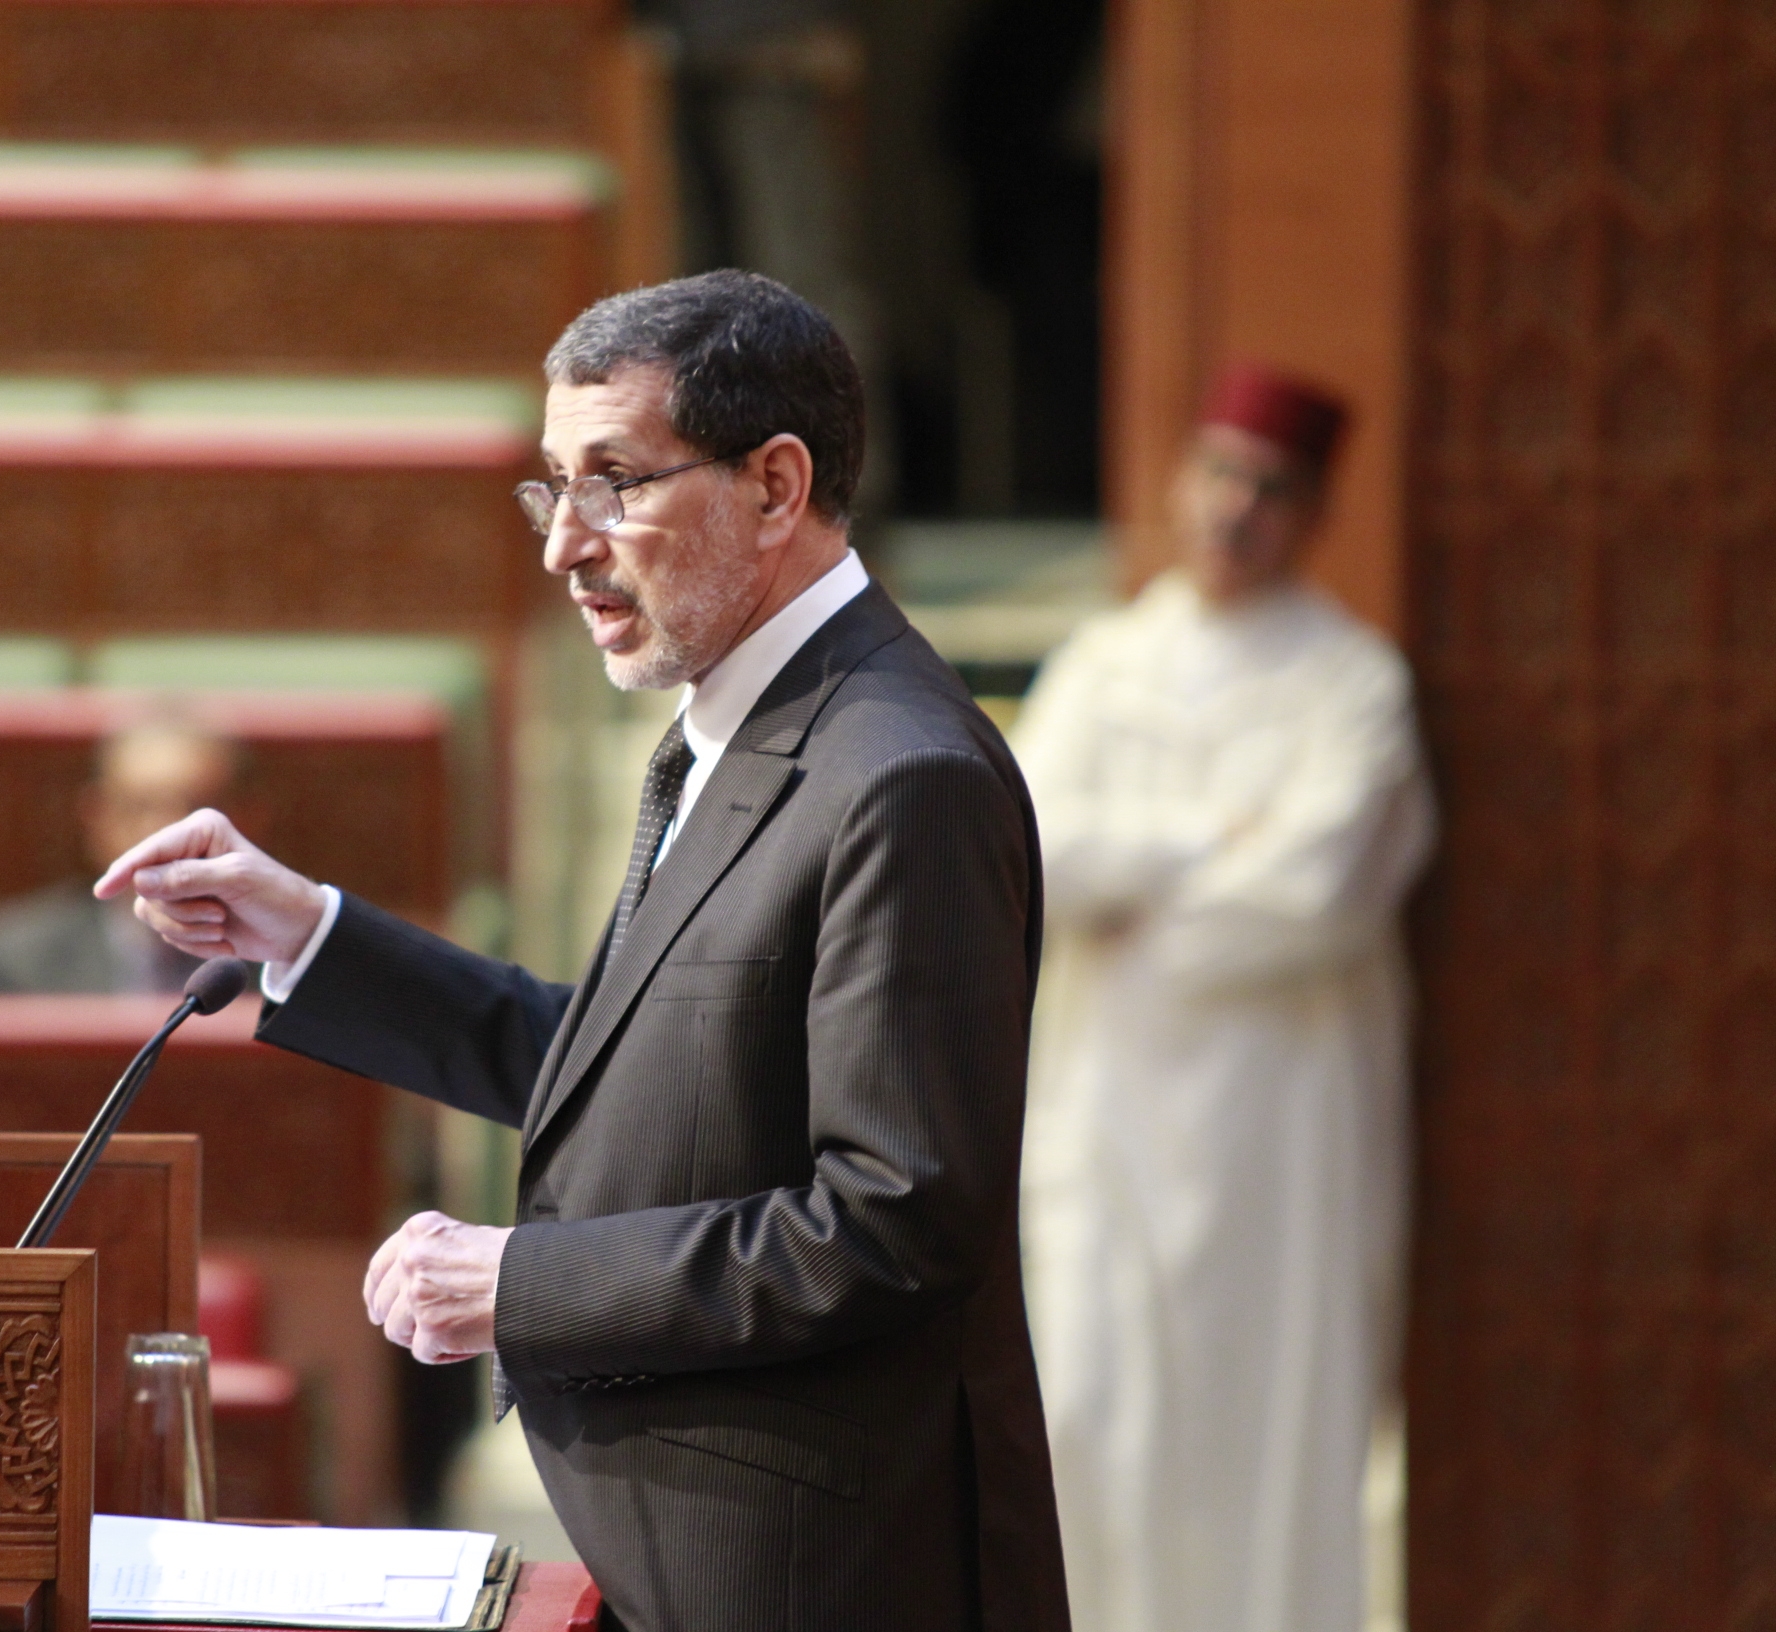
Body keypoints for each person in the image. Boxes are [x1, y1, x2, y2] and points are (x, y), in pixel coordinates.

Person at [95, 271, 1068, 1632]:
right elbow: (645, 1070)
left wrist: (520, 1284)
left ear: (776, 488)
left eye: (614, 483)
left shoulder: (899, 774)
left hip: (821, 1585)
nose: (564, 545)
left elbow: (895, 1223)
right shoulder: (735, 729)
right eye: (552, 489)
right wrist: (311, 935)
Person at [1008, 365, 1436, 1632]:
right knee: (1089, 1403)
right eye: (1220, 476)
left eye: (1272, 490)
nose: (1237, 510)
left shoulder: (1354, 684)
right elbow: (1034, 852)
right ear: (1180, 481)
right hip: (1105, 1104)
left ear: (1313, 515)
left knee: (1273, 1426)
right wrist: (1199, 843)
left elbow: (1314, 895)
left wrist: (1139, 893)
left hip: (1281, 1126)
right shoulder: (1103, 663)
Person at [0, 723, 236, 994]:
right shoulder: (17, 956)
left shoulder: (275, 954)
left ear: (247, 817)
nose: (166, 831)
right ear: (97, 817)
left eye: (196, 810)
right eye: (139, 808)